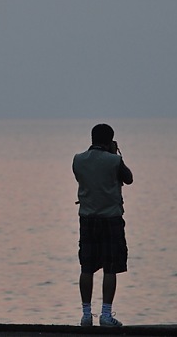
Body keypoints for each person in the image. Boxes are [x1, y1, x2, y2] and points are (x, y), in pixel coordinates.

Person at [72, 123, 133, 327]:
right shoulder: (114, 160)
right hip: (111, 219)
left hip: (87, 218)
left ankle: (86, 315)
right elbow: (129, 179)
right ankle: (106, 315)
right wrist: (115, 154)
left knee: (86, 267)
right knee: (110, 267)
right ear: (109, 140)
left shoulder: (78, 160)